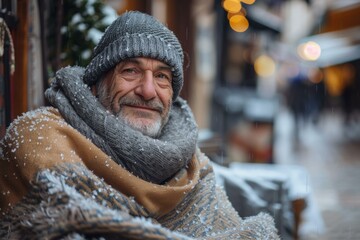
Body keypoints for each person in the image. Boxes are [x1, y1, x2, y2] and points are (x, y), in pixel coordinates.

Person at [0, 11, 279, 239]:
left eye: (162, 77)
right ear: (97, 85)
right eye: (131, 71)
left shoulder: (192, 166)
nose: (148, 91)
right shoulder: (43, 136)